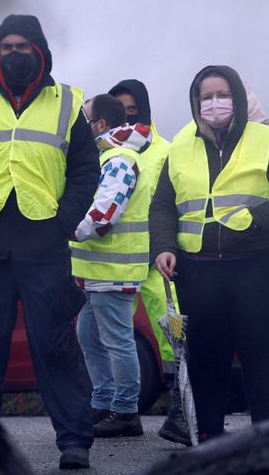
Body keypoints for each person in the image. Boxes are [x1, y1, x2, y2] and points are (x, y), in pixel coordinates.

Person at [0, 14, 97, 470]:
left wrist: (63, 221)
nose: (13, 53)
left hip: (44, 246)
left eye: (23, 46)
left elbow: (87, 170)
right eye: (5, 46)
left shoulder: (67, 102)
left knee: (56, 347)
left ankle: (74, 441)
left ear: (40, 52)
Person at [150, 65, 269, 441]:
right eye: (207, 97)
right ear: (196, 102)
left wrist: (254, 219)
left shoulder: (265, 139)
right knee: (206, 365)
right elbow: (163, 205)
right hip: (198, 273)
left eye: (223, 95)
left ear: (237, 97)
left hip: (254, 268)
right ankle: (210, 445)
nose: (215, 103)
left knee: (261, 363)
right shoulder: (181, 144)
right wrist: (164, 247)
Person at [107, 78, 189, 445]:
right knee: (107, 336)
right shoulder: (104, 149)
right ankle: (117, 409)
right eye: (120, 110)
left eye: (132, 109)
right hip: (116, 261)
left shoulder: (165, 150)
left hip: (157, 262)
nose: (127, 117)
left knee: (173, 332)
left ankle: (183, 407)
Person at [71, 94, 152, 437]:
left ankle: (126, 412)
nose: (79, 129)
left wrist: (64, 230)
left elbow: (103, 216)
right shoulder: (107, 156)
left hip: (113, 272)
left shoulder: (118, 160)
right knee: (88, 335)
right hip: (96, 273)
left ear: (101, 124)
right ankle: (103, 402)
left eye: (84, 122)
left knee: (118, 341)